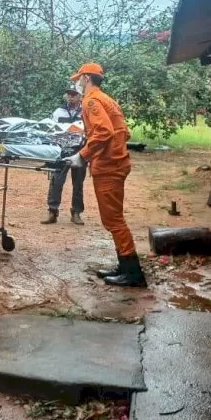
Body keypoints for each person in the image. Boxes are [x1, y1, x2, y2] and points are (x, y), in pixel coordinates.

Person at [64, 62, 146, 287]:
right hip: (116, 162)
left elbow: (104, 131)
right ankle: (125, 266)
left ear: (87, 78)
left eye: (79, 79)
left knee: (114, 220)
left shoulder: (91, 101)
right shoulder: (107, 100)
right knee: (113, 219)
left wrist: (83, 155)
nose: (77, 83)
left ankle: (133, 274)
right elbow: (123, 132)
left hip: (109, 166)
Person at [43, 86, 86, 226]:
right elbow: (50, 130)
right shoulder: (58, 112)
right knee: (56, 181)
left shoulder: (86, 111)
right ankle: (52, 211)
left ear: (80, 96)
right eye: (69, 94)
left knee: (78, 183)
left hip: (80, 151)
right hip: (61, 151)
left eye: (74, 94)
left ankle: (76, 213)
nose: (71, 97)